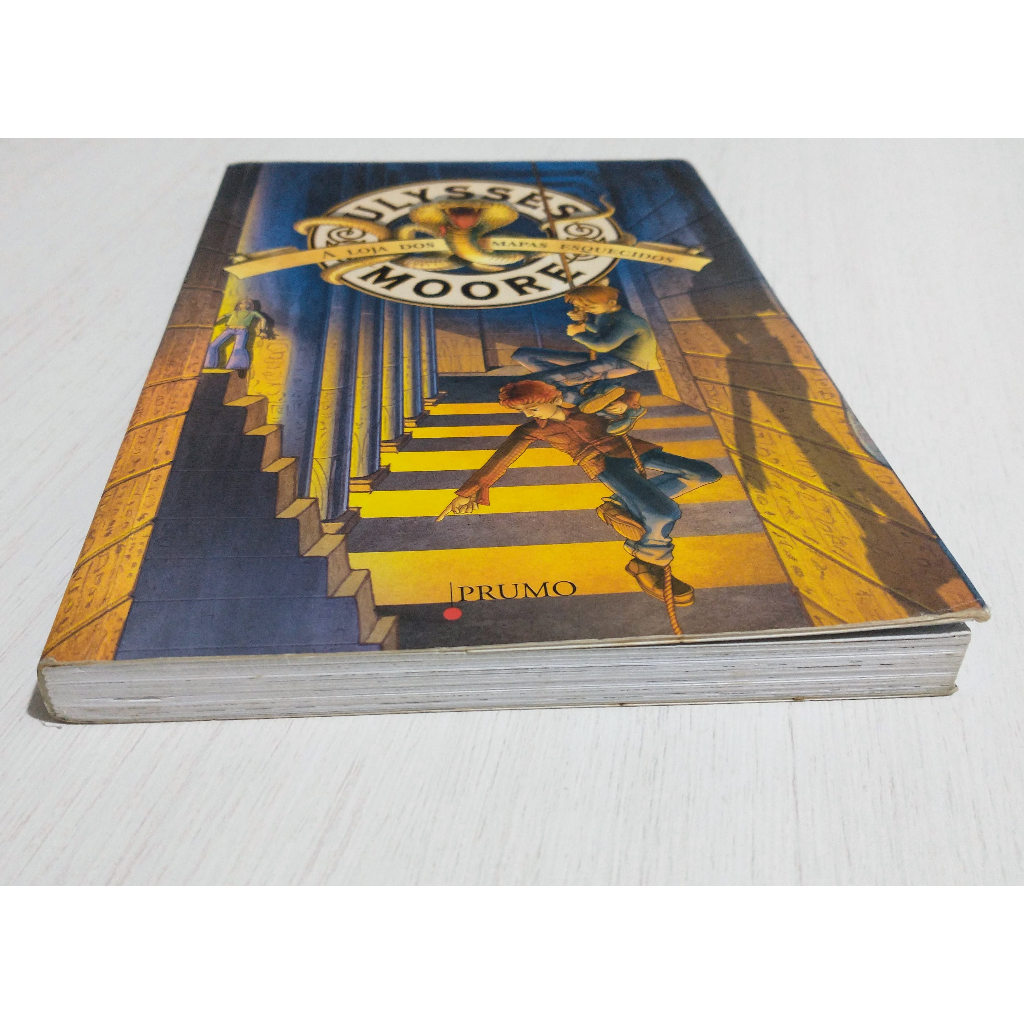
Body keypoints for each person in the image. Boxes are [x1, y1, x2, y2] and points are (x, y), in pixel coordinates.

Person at [446, 379, 721, 604]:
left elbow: (626, 392)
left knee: (705, 473)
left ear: (554, 399)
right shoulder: (530, 430)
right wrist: (467, 492)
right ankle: (647, 562)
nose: (529, 415)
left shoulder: (586, 406)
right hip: (605, 465)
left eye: (533, 408)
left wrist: (623, 404)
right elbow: (501, 459)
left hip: (634, 448)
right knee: (663, 512)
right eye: (524, 411)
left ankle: (622, 504)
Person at [509, 285, 659, 433]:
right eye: (583, 307)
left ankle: (620, 412)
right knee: (523, 355)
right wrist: (585, 323)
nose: (587, 310)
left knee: (546, 380)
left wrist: (578, 334)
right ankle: (592, 392)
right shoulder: (606, 313)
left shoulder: (628, 321)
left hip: (625, 362)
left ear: (612, 303)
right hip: (606, 358)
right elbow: (601, 332)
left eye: (590, 307)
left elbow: (604, 344)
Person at [203, 299, 268, 373]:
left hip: (242, 330)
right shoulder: (234, 312)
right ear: (239, 305)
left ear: (250, 306)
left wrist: (263, 331)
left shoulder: (253, 313)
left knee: (238, 348)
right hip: (229, 329)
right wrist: (212, 322)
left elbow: (263, 319)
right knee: (213, 345)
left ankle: (236, 366)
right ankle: (208, 364)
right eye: (243, 303)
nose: (245, 305)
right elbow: (223, 317)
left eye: (248, 304)